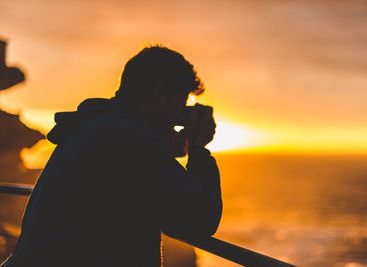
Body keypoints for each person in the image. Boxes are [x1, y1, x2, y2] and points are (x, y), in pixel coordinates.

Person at [1, 46, 222, 267]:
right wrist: (199, 150)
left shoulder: (99, 128)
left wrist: (161, 147)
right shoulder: (130, 140)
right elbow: (200, 220)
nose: (179, 116)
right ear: (160, 94)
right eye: (179, 103)